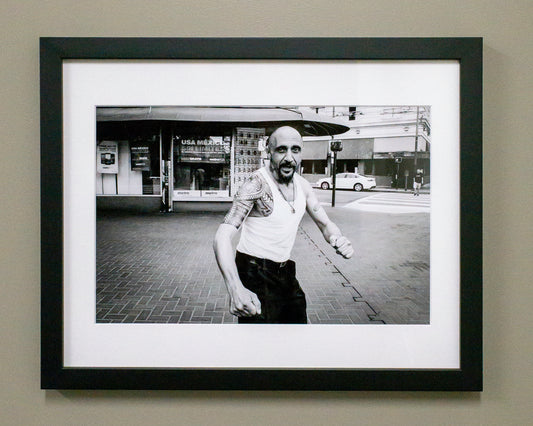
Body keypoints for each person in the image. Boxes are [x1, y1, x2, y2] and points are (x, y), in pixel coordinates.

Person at [213, 126, 354, 324]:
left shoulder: (302, 185)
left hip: (285, 271)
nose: (289, 157)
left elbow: (325, 223)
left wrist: (337, 238)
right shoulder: (255, 185)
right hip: (255, 273)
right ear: (269, 151)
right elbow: (222, 237)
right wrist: (235, 288)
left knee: (297, 330)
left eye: (295, 150)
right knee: (262, 346)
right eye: (281, 150)